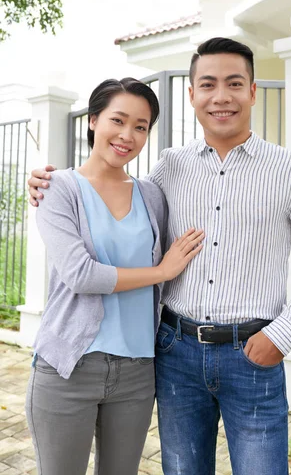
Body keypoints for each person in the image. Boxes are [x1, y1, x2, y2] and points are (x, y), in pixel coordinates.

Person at [28, 38, 291, 475]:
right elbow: (109, 190)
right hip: (175, 354)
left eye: (234, 83)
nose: (221, 96)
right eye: (208, 84)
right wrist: (48, 181)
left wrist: (284, 334)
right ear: (191, 95)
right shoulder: (170, 168)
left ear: (252, 92)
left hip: (252, 352)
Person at [26, 77, 203, 475]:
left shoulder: (151, 194)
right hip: (69, 368)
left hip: (137, 371)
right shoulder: (57, 189)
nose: (128, 135)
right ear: (93, 121)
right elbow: (81, 275)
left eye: (140, 127)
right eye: (118, 120)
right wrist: (161, 271)